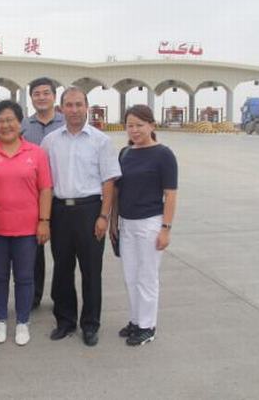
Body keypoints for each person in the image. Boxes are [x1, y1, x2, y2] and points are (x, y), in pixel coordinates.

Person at [41, 86, 121, 347]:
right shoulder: (50, 141)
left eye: (79, 104)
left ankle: (90, 324)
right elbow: (44, 182)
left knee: (91, 270)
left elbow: (109, 181)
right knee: (62, 269)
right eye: (69, 105)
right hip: (60, 211)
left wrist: (103, 216)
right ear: (61, 108)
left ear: (87, 107)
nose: (74, 110)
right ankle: (65, 321)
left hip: (90, 211)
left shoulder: (101, 141)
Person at [0, 100, 52, 346]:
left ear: (20, 123)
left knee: (24, 276)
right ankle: (0, 319)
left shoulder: (36, 153)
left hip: (27, 228)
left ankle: (23, 321)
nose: (5, 125)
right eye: (0, 121)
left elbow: (45, 189)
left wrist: (44, 221)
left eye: (10, 120)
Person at [109, 104, 178, 346]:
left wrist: (166, 229)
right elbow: (117, 191)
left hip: (150, 223)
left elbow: (170, 194)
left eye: (140, 125)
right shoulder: (125, 153)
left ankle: (147, 326)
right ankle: (135, 320)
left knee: (147, 276)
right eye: (130, 125)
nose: (135, 130)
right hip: (126, 223)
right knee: (130, 275)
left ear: (151, 125)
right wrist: (113, 222)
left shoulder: (163, 155)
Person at [21, 77, 65, 309]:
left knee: (61, 252)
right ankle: (34, 295)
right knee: (33, 253)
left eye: (46, 93)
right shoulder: (23, 126)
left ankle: (60, 296)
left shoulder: (66, 123)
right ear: (31, 98)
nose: (41, 97)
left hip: (60, 197)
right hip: (32, 198)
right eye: (36, 93)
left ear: (54, 96)